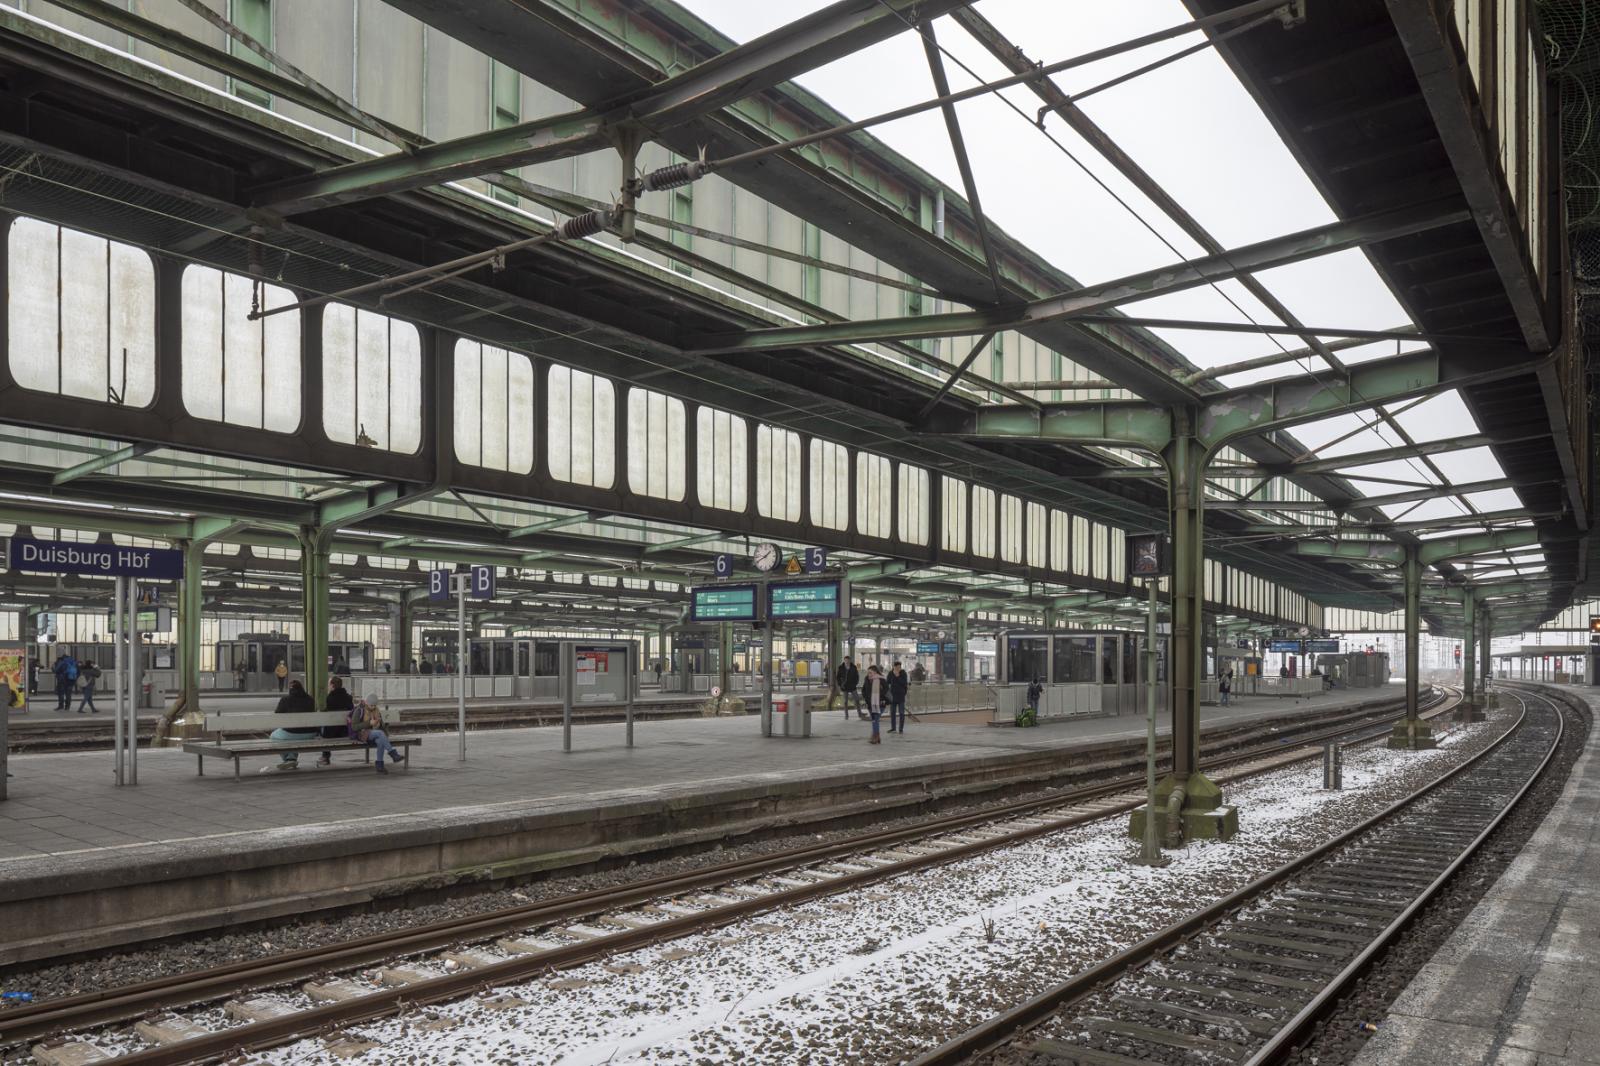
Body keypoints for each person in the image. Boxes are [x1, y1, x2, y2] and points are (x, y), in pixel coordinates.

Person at [263, 679, 319, 772]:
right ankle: (291, 759)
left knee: (274, 736)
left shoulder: (285, 699)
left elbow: (277, 713)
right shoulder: (310, 699)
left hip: (292, 732)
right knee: (293, 736)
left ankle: (288, 759)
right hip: (310, 733)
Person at [349, 696, 407, 774]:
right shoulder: (359, 710)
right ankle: (393, 754)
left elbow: (382, 726)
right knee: (380, 733)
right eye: (371, 705)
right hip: (362, 734)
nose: (373, 707)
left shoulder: (377, 711)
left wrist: (379, 724)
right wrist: (369, 723)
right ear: (366, 703)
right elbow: (354, 727)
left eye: (374, 705)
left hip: (375, 733)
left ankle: (380, 766)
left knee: (380, 741)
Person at [316, 675, 355, 767]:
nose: (328, 686)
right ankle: (325, 757)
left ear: (332, 686)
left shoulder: (329, 698)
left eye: (329, 684)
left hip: (331, 733)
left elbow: (326, 715)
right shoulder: (348, 697)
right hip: (345, 731)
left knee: (322, 729)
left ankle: (325, 756)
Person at [861, 666, 888, 743]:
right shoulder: (867, 679)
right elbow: (864, 690)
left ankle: (875, 736)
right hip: (870, 704)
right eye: (868, 672)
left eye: (870, 672)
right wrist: (867, 698)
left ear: (875, 672)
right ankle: (877, 737)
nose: (868, 674)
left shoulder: (881, 679)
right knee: (874, 720)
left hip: (880, 704)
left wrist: (879, 696)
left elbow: (886, 690)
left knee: (875, 719)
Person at [886, 661, 910, 735]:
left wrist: (898, 676)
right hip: (893, 696)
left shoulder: (903, 673)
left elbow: (904, 683)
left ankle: (901, 729)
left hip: (901, 696)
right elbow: (888, 682)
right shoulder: (890, 673)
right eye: (896, 667)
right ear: (894, 667)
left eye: (899, 667)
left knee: (901, 713)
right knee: (892, 713)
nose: (898, 668)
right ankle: (893, 728)